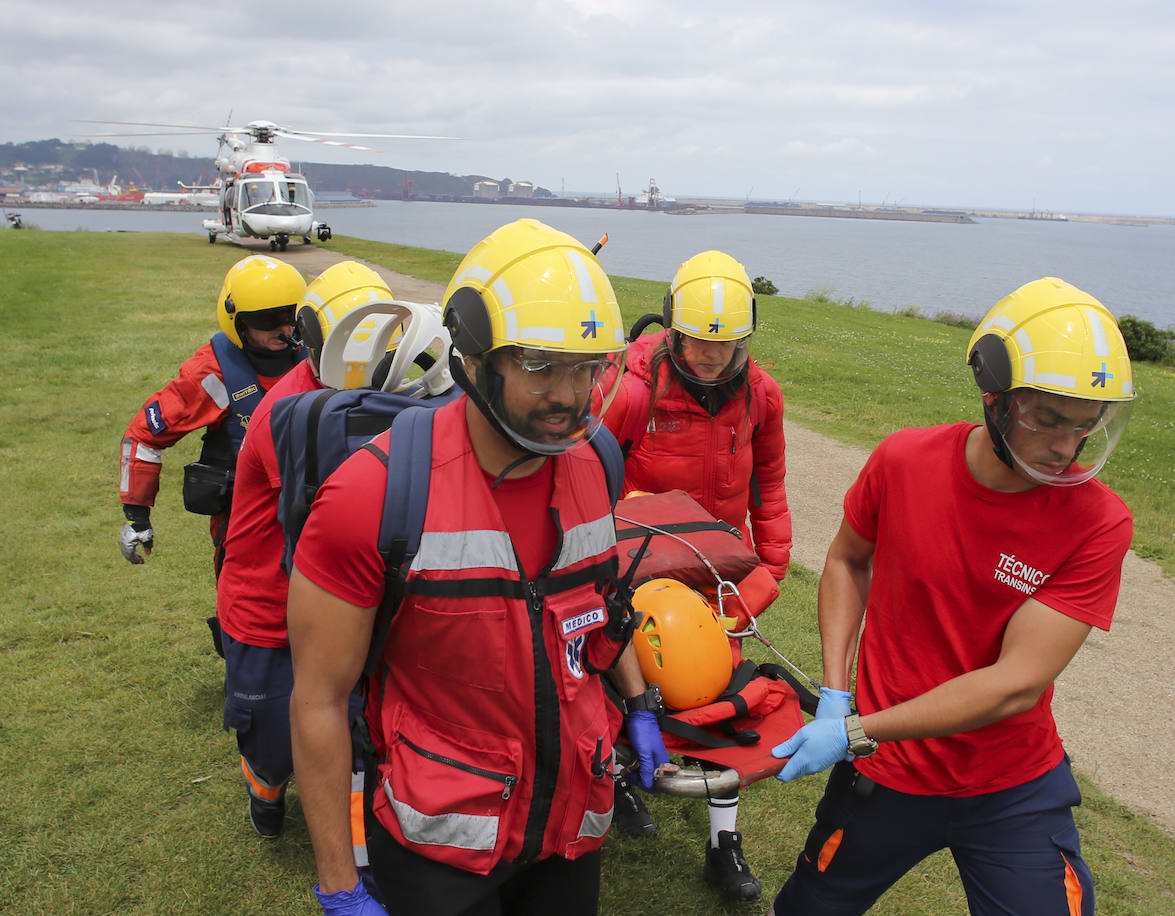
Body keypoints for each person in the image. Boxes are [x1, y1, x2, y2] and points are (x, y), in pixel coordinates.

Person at [287, 218, 671, 916]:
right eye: (540, 366)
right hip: (440, 849)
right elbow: (317, 699)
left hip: (571, 828)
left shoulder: (599, 466)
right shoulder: (370, 496)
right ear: (474, 354)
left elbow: (596, 613)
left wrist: (639, 703)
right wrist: (340, 884)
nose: (569, 394)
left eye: (588, 368)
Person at [766, 277, 1137, 916]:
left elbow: (1014, 684)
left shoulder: (1099, 521)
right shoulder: (904, 461)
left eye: (1085, 425)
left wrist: (854, 730)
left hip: (1011, 785)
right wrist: (833, 692)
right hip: (884, 773)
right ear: (994, 397)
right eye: (1046, 418)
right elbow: (847, 563)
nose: (1065, 447)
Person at [599, 250, 791, 901]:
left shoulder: (761, 396)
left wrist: (766, 578)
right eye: (700, 340)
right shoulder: (630, 388)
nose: (711, 355)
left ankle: (723, 846)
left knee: (721, 700)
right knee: (620, 688)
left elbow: (770, 491)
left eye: (726, 342)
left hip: (719, 579)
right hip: (638, 572)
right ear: (677, 325)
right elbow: (588, 478)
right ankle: (621, 780)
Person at [215, 261, 396, 838]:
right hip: (268, 604)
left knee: (352, 728)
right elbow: (326, 521)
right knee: (272, 738)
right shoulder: (284, 417)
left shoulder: (375, 395)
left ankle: (357, 846)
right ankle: (264, 788)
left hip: (338, 597)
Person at [118, 254, 306, 572]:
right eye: (268, 318)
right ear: (239, 320)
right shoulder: (213, 373)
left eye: (293, 315)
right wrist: (137, 516)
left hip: (316, 523)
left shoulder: (319, 355)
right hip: (247, 532)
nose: (285, 327)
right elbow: (145, 435)